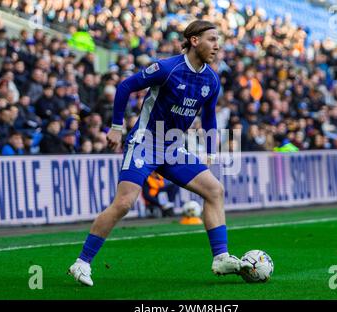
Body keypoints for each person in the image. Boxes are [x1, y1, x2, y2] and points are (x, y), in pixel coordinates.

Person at [69, 20, 250, 286]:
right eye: (212, 39)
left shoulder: (211, 79)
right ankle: (81, 262)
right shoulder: (167, 68)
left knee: (215, 190)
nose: (217, 45)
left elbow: (209, 117)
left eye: (218, 40)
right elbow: (125, 87)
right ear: (195, 40)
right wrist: (117, 127)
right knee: (124, 204)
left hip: (174, 148)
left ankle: (221, 256)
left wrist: (211, 151)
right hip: (145, 143)